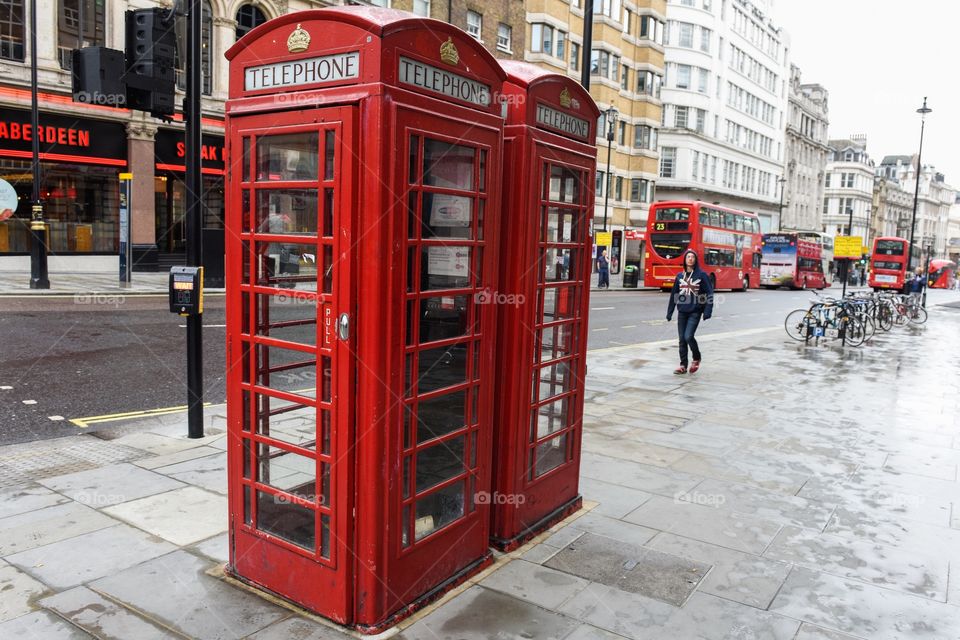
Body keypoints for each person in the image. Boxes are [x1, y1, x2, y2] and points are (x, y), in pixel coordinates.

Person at [666, 249, 714, 374]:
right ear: (685, 260)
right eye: (688, 257)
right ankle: (683, 365)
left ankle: (696, 358)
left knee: (688, 336)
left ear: (695, 260)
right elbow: (674, 295)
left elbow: (709, 292)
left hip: (695, 311)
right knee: (682, 339)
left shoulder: (701, 275)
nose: (690, 259)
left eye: (692, 257)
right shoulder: (680, 276)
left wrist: (707, 310)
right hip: (682, 312)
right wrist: (670, 312)